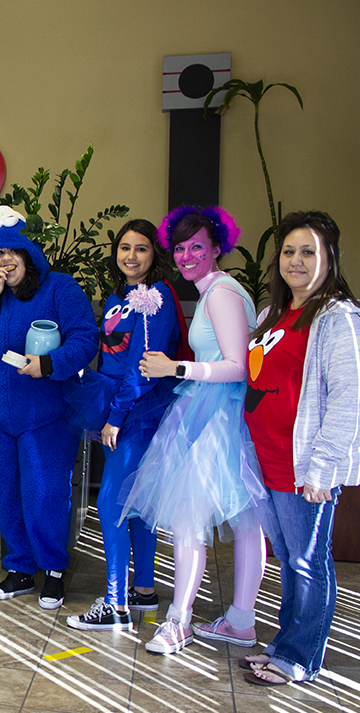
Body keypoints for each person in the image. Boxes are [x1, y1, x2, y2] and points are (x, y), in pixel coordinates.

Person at [122, 206, 273, 655]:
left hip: (215, 418)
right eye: (181, 247)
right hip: (219, 414)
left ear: (217, 248)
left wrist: (177, 366)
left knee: (189, 521)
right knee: (245, 522)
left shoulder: (222, 294)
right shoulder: (223, 291)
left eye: (197, 247)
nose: (187, 256)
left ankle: (178, 621)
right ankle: (241, 622)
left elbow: (237, 366)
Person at [237, 211, 360, 684]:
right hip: (267, 461)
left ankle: (300, 657)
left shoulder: (340, 320)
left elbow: (348, 399)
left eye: (308, 251)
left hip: (303, 468)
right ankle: (282, 643)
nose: (296, 261)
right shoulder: (274, 314)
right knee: (290, 559)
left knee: (307, 561)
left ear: (329, 258)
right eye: (289, 251)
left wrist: (322, 470)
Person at [0, 206, 98, 609]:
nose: (5, 260)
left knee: (45, 492)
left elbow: (85, 338)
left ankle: (53, 570)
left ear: (28, 254)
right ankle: (19, 568)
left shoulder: (58, 288)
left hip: (44, 412)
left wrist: (49, 364)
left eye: (12, 252)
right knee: (3, 491)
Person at [63, 220, 185, 631]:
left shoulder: (157, 296)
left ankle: (115, 605)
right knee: (136, 502)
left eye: (142, 249)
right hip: (113, 400)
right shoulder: (120, 294)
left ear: (155, 255)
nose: (131, 256)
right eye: (124, 247)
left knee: (111, 503)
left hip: (137, 409)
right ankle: (144, 592)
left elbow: (143, 364)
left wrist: (115, 416)